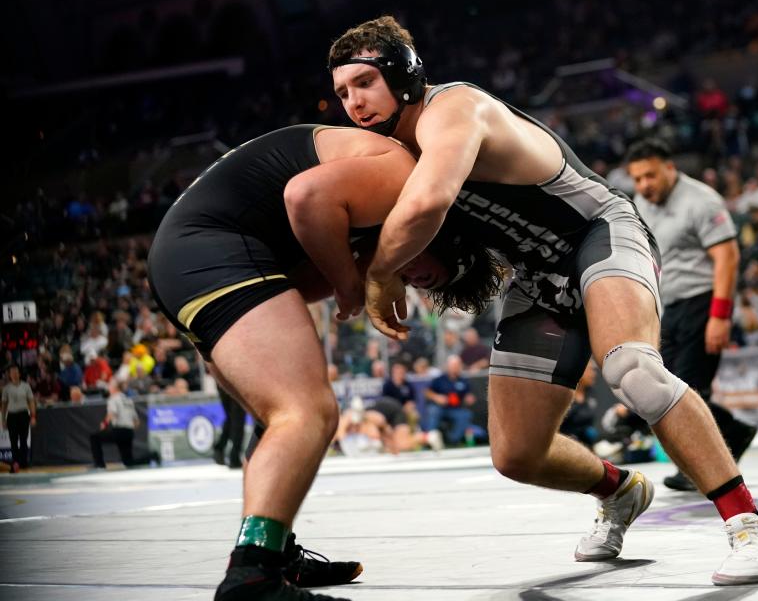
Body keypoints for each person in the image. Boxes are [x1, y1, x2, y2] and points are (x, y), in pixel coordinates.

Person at [329, 16, 758, 585]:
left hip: (598, 232)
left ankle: (751, 525)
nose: (353, 102)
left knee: (632, 369)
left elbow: (425, 208)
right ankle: (621, 491)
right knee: (516, 454)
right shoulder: (385, 148)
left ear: (403, 74)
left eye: (364, 83)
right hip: (537, 273)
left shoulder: (454, 107)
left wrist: (378, 275)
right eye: (342, 93)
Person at [148, 123, 502, 601]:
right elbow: (304, 195)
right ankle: (252, 577)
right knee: (308, 411)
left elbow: (301, 283)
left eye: (420, 284)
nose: (413, 279)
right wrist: (358, 282)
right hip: (212, 251)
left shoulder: (365, 216)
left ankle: (274, 551)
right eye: (424, 271)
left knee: (275, 421)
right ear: (438, 237)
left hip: (194, 259)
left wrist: (356, 277)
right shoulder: (403, 175)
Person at [627, 139, 758, 492]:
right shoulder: (642, 203)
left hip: (702, 303)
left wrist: (720, 316)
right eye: (637, 179)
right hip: (670, 307)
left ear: (670, 168)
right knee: (660, 391)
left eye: (650, 176)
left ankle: (702, 468)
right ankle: (735, 431)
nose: (644, 185)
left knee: (684, 394)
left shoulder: (701, 200)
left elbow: (727, 257)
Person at [90, 379, 160, 468]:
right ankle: (152, 456)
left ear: (115, 388)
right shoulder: (128, 400)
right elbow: (136, 422)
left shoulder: (113, 399)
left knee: (94, 437)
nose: (109, 387)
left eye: (110, 385)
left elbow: (112, 414)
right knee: (128, 462)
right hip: (128, 432)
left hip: (119, 430)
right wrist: (128, 428)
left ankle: (99, 464)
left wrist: (104, 424)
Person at [422, 354, 476, 446]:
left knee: (465, 415)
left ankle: (453, 440)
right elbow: (426, 392)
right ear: (448, 366)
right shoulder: (440, 379)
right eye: (453, 365)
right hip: (440, 408)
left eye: (457, 365)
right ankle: (430, 440)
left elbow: (468, 394)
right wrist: (436, 397)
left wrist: (469, 398)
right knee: (433, 411)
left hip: (455, 409)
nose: (455, 367)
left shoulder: (463, 380)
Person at [2, 365, 37, 473]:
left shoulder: (26, 386)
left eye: (16, 372)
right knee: (13, 441)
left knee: (23, 440)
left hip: (23, 415)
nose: (14, 374)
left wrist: (33, 416)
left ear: (19, 374)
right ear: (9, 375)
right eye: (12, 372)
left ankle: (24, 462)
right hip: (12, 416)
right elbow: (4, 405)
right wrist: (3, 419)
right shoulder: (6, 388)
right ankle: (15, 462)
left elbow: (31, 401)